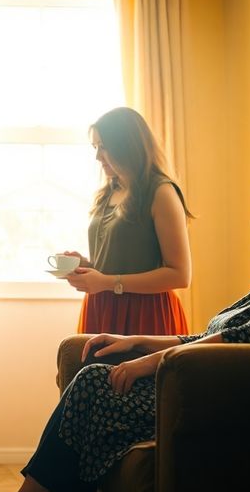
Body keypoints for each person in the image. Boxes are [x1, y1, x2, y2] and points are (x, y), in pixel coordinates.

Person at [16, 176, 250, 492]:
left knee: (94, 382)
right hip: (205, 385)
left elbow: (246, 342)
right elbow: (211, 337)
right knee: (96, 370)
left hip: (222, 401)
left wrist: (148, 362)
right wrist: (135, 340)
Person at [59, 107, 192, 336]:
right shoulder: (107, 193)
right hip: (101, 309)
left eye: (103, 147)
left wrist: (108, 283)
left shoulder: (161, 193)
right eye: (95, 147)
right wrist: (87, 266)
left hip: (145, 315)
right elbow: (117, 262)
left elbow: (180, 275)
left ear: (126, 145)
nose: (98, 156)